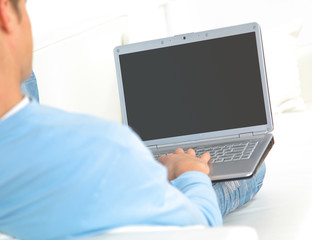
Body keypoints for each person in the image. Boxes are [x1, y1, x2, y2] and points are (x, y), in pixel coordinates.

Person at [0, 0, 266, 239]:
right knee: (254, 172)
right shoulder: (107, 147)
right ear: (5, 14)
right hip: (127, 202)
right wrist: (189, 172)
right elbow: (198, 231)